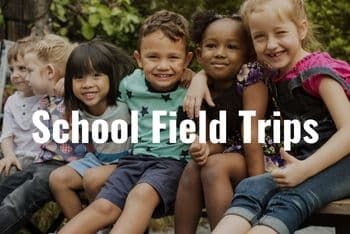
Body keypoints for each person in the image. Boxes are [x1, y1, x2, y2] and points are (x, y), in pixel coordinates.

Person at [213, 0, 350, 234]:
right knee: (250, 187)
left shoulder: (319, 72)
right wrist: (195, 79)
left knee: (289, 199)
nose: (271, 44)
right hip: (307, 161)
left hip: (343, 163)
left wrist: (304, 169)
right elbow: (212, 71)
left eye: (280, 33)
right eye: (260, 37)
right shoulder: (274, 75)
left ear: (302, 29)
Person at [59, 10, 193, 234]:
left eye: (173, 57)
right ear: (139, 58)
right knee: (104, 206)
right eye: (153, 57)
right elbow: (101, 95)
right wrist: (65, 84)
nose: (162, 66)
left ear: (187, 59)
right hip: (134, 160)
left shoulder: (191, 87)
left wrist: (198, 77)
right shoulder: (130, 84)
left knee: (140, 195)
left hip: (173, 163)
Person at [175, 11, 268, 233]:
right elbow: (215, 141)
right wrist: (202, 148)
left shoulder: (251, 77)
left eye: (232, 47)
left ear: (247, 55)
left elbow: (252, 135)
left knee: (214, 167)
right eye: (211, 46)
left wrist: (259, 189)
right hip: (230, 157)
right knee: (194, 166)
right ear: (199, 54)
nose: (220, 53)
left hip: (262, 160)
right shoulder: (199, 89)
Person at [0, 34, 86, 234]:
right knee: (8, 184)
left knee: (18, 200)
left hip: (67, 166)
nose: (26, 78)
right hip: (44, 162)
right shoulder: (44, 100)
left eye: (29, 71)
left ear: (49, 72)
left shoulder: (75, 96)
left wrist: (70, 84)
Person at [49, 40, 136, 219]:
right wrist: (67, 83)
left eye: (96, 75)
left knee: (92, 178)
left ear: (111, 77)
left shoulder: (124, 99)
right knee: (58, 179)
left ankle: (105, 225)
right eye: (79, 77)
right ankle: (82, 228)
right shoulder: (77, 106)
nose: (87, 84)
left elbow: (142, 77)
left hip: (129, 162)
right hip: (98, 160)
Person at [0, 36, 42, 181]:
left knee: (11, 176)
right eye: (12, 69)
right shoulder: (12, 101)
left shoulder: (47, 98)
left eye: (22, 68)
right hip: (15, 156)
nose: (15, 75)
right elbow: (7, 135)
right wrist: (9, 156)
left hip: (38, 160)